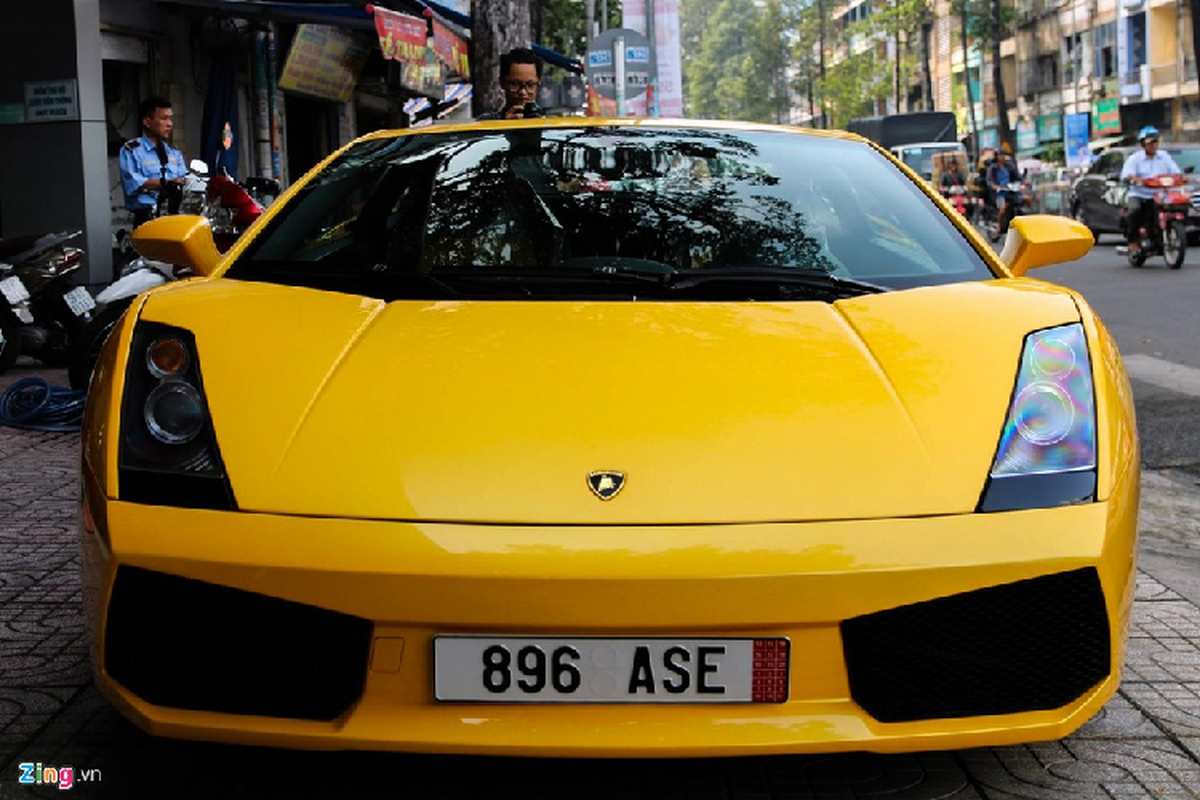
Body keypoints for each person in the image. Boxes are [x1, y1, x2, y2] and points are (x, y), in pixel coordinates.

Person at [120, 96, 188, 226]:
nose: (169, 124)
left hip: (174, 216)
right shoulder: (132, 150)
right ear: (147, 122)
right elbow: (134, 183)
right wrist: (167, 183)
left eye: (171, 119)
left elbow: (184, 180)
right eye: (164, 118)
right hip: (147, 217)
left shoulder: (173, 152)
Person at [1120, 126, 1181, 255]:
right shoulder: (1134, 159)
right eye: (1150, 142)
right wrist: (1137, 180)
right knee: (1135, 211)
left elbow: (1175, 172)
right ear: (1143, 144)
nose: (1153, 145)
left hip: (1160, 194)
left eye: (1155, 142)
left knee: (1176, 208)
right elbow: (1127, 175)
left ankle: (1162, 235)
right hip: (1139, 193)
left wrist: (1179, 178)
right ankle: (1133, 242)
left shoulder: (1164, 156)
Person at [477, 48, 546, 121]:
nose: (523, 92)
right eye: (515, 84)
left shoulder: (550, 123)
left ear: (538, 85)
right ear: (502, 83)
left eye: (530, 85)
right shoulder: (487, 122)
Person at [986, 144, 1018, 233]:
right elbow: (989, 181)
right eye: (1000, 155)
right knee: (1002, 208)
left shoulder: (1009, 166)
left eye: (1003, 154)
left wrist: (1024, 182)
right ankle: (999, 225)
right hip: (999, 194)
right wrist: (995, 186)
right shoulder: (993, 168)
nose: (1002, 157)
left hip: (1010, 191)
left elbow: (1017, 177)